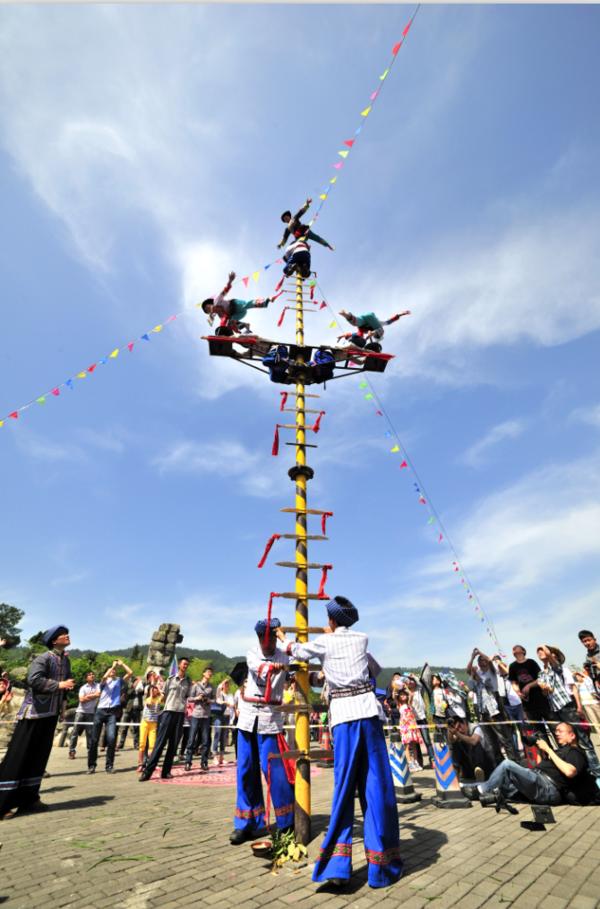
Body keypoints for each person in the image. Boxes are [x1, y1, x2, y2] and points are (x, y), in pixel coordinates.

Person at [277, 596, 402, 890]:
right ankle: (381, 866)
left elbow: (297, 651)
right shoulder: (362, 639)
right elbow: (372, 669)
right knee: (376, 786)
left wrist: (284, 638)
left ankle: (337, 865)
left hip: (345, 718)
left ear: (331, 621)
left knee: (344, 788)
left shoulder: (326, 641)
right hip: (370, 715)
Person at [229, 616, 294, 846]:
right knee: (246, 770)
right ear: (258, 638)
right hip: (247, 719)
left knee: (275, 773)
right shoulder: (252, 653)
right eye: (263, 639)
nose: (267, 644)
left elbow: (299, 659)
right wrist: (277, 666)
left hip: (270, 720)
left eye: (271, 639)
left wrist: (285, 641)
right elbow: (260, 672)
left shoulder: (284, 652)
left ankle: (286, 823)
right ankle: (247, 823)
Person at [0, 625, 74, 819]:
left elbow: (67, 686)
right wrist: (59, 685)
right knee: (19, 757)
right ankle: (2, 803)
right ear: (53, 640)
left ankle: (29, 799)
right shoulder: (43, 658)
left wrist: (63, 708)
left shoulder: (66, 661)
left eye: (66, 634)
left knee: (39, 757)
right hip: (33, 713)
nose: (66, 636)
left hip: (51, 714)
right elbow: (34, 680)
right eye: (62, 635)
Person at [464, 723, 600, 807]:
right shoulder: (560, 751)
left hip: (549, 788)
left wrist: (548, 749)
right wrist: (541, 750)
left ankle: (479, 790)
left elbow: (570, 772)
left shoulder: (575, 752)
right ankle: (470, 789)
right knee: (503, 785)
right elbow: (541, 767)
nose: (556, 733)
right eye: (556, 731)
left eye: (560, 731)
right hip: (540, 780)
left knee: (507, 765)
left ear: (572, 736)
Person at [537, 645, 600, 777]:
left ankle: (596, 770)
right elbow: (544, 693)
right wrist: (544, 688)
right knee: (567, 742)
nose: (540, 652)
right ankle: (583, 769)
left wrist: (544, 647)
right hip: (555, 710)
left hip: (567, 707)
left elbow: (554, 662)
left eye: (542, 650)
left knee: (582, 740)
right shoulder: (541, 673)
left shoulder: (557, 667)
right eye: (538, 652)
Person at [139, 657, 192, 781]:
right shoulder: (170, 680)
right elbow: (164, 694)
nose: (185, 666)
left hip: (180, 714)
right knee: (160, 743)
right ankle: (148, 772)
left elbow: (187, 697)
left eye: (187, 665)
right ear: (179, 665)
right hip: (168, 712)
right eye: (184, 664)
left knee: (173, 745)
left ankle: (166, 771)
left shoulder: (188, 682)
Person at [466, 649, 517, 762]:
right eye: (480, 661)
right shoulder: (476, 675)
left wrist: (480, 653)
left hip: (494, 708)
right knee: (491, 740)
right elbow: (468, 670)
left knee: (503, 737)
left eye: (483, 660)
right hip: (482, 711)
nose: (482, 661)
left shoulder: (491, 671)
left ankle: (514, 761)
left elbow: (489, 660)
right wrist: (472, 657)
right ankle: (500, 763)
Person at [87, 659, 132, 775]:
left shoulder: (119, 681)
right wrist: (112, 666)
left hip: (112, 712)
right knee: (94, 739)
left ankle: (109, 765)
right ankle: (92, 765)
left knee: (111, 738)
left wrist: (122, 664)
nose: (113, 671)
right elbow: (103, 677)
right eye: (111, 670)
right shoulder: (103, 682)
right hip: (100, 711)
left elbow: (130, 673)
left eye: (114, 670)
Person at [201, 271, 272, 332]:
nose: (210, 310)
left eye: (208, 308)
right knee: (229, 322)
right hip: (238, 314)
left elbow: (225, 291)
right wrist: (222, 329)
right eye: (208, 311)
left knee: (246, 305)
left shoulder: (217, 300)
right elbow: (223, 320)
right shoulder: (220, 315)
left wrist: (230, 281)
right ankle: (244, 327)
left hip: (235, 304)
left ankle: (264, 302)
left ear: (210, 304)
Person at [507, 644, 552, 735]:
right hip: (527, 703)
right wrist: (518, 692)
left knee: (552, 724)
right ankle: (547, 748)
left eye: (517, 648)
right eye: (513, 649)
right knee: (539, 730)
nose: (514, 649)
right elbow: (513, 682)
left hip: (540, 698)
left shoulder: (531, 662)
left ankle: (562, 748)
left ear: (523, 651)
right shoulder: (512, 666)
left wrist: (529, 686)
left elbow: (540, 678)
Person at [446, 712, 497, 781]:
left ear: (464, 723)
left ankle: (480, 771)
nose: (460, 730)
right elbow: (451, 741)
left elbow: (473, 741)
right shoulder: (459, 733)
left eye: (459, 726)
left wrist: (456, 733)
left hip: (486, 762)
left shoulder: (476, 727)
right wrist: (450, 731)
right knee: (455, 745)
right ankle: (456, 771)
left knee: (476, 745)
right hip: (470, 763)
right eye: (457, 729)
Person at [184, 666, 215, 772]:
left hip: (206, 715)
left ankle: (204, 762)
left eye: (211, 673)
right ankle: (188, 762)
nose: (210, 674)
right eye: (208, 672)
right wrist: (197, 698)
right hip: (196, 715)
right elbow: (188, 698)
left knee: (206, 740)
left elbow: (214, 699)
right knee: (191, 739)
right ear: (203, 673)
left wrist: (209, 700)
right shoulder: (196, 686)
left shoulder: (211, 687)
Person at [68, 671, 100, 759]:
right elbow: (81, 700)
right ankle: (71, 751)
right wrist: (94, 695)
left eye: (93, 674)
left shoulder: (98, 686)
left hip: (91, 713)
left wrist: (88, 697)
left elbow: (99, 694)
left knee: (89, 733)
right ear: (86, 678)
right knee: (75, 732)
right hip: (81, 712)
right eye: (89, 675)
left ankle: (90, 751)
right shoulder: (83, 687)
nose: (92, 675)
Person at [337, 309, 410, 347]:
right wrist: (401, 314)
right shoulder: (380, 323)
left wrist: (343, 336)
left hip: (363, 318)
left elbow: (353, 334)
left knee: (355, 323)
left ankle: (346, 315)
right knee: (381, 330)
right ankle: (373, 332)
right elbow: (389, 321)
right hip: (371, 318)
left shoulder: (362, 331)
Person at [137, 676, 164, 773]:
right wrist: (152, 691)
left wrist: (158, 688)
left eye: (155, 690)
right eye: (153, 690)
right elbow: (148, 704)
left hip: (153, 724)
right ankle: (140, 764)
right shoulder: (148, 699)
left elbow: (163, 696)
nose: (154, 691)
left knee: (152, 745)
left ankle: (152, 763)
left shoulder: (159, 699)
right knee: (142, 744)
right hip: (145, 723)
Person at [406, 675, 435, 766]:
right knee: (415, 742)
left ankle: (432, 759)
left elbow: (419, 682)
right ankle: (419, 761)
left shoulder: (418, 690)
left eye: (412, 681)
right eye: (409, 681)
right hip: (412, 720)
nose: (411, 682)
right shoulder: (406, 693)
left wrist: (413, 676)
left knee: (427, 740)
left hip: (422, 718)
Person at [396, 690, 422, 772]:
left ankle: (416, 761)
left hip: (412, 726)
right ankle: (410, 763)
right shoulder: (399, 704)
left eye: (404, 695)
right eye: (401, 695)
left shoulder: (409, 704)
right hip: (405, 727)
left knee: (414, 745)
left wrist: (405, 686)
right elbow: (394, 695)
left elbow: (411, 694)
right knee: (406, 746)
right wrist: (396, 687)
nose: (403, 696)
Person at [118, 675, 144, 751]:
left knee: (136, 728)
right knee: (124, 727)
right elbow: (128, 694)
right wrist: (133, 686)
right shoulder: (128, 687)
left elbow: (143, 692)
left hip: (137, 709)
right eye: (135, 681)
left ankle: (136, 744)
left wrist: (140, 683)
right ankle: (121, 744)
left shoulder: (140, 688)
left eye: (137, 681)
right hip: (128, 709)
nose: (137, 682)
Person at [212, 678, 233, 765]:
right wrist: (223, 681)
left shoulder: (230, 695)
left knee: (224, 737)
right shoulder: (219, 694)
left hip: (227, 717)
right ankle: (215, 756)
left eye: (228, 685)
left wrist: (225, 703)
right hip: (219, 716)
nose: (226, 686)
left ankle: (221, 757)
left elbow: (232, 705)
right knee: (217, 734)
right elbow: (218, 689)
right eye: (225, 684)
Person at [578, 630, 600, 697]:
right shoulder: (588, 657)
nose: (587, 643)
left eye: (589, 640)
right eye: (584, 641)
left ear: (594, 640)